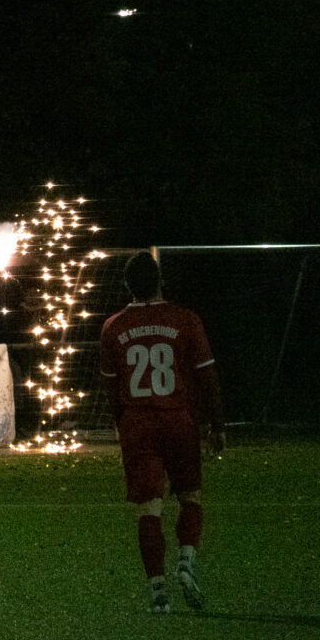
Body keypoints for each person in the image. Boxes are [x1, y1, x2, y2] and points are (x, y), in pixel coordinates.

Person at [99, 250, 226, 614]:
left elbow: (111, 387)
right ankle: (186, 561)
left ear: (127, 286)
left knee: (149, 509)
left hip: (138, 424)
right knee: (191, 497)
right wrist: (217, 424)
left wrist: (120, 423)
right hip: (178, 420)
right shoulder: (185, 319)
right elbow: (207, 377)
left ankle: (158, 592)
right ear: (159, 281)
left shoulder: (113, 327)